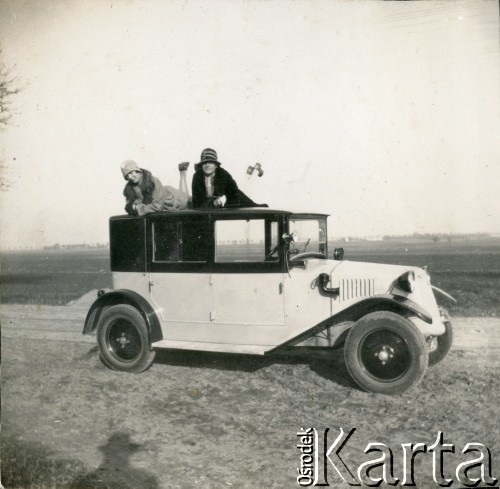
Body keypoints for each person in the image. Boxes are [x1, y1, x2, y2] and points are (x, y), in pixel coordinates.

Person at [191, 148, 266, 208]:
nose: (207, 165)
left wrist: (223, 201)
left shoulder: (223, 174)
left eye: (210, 162)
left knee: (240, 196)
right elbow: (197, 203)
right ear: (201, 165)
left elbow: (234, 192)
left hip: (224, 209)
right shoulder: (197, 177)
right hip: (205, 211)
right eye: (204, 163)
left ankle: (255, 206)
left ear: (216, 165)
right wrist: (214, 202)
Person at [121, 160, 188, 216]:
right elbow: (128, 207)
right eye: (127, 176)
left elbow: (157, 206)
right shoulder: (130, 189)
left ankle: (183, 172)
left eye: (131, 173)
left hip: (174, 200)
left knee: (188, 200)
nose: (130, 177)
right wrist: (135, 207)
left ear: (137, 171)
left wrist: (138, 208)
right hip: (163, 202)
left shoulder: (153, 182)